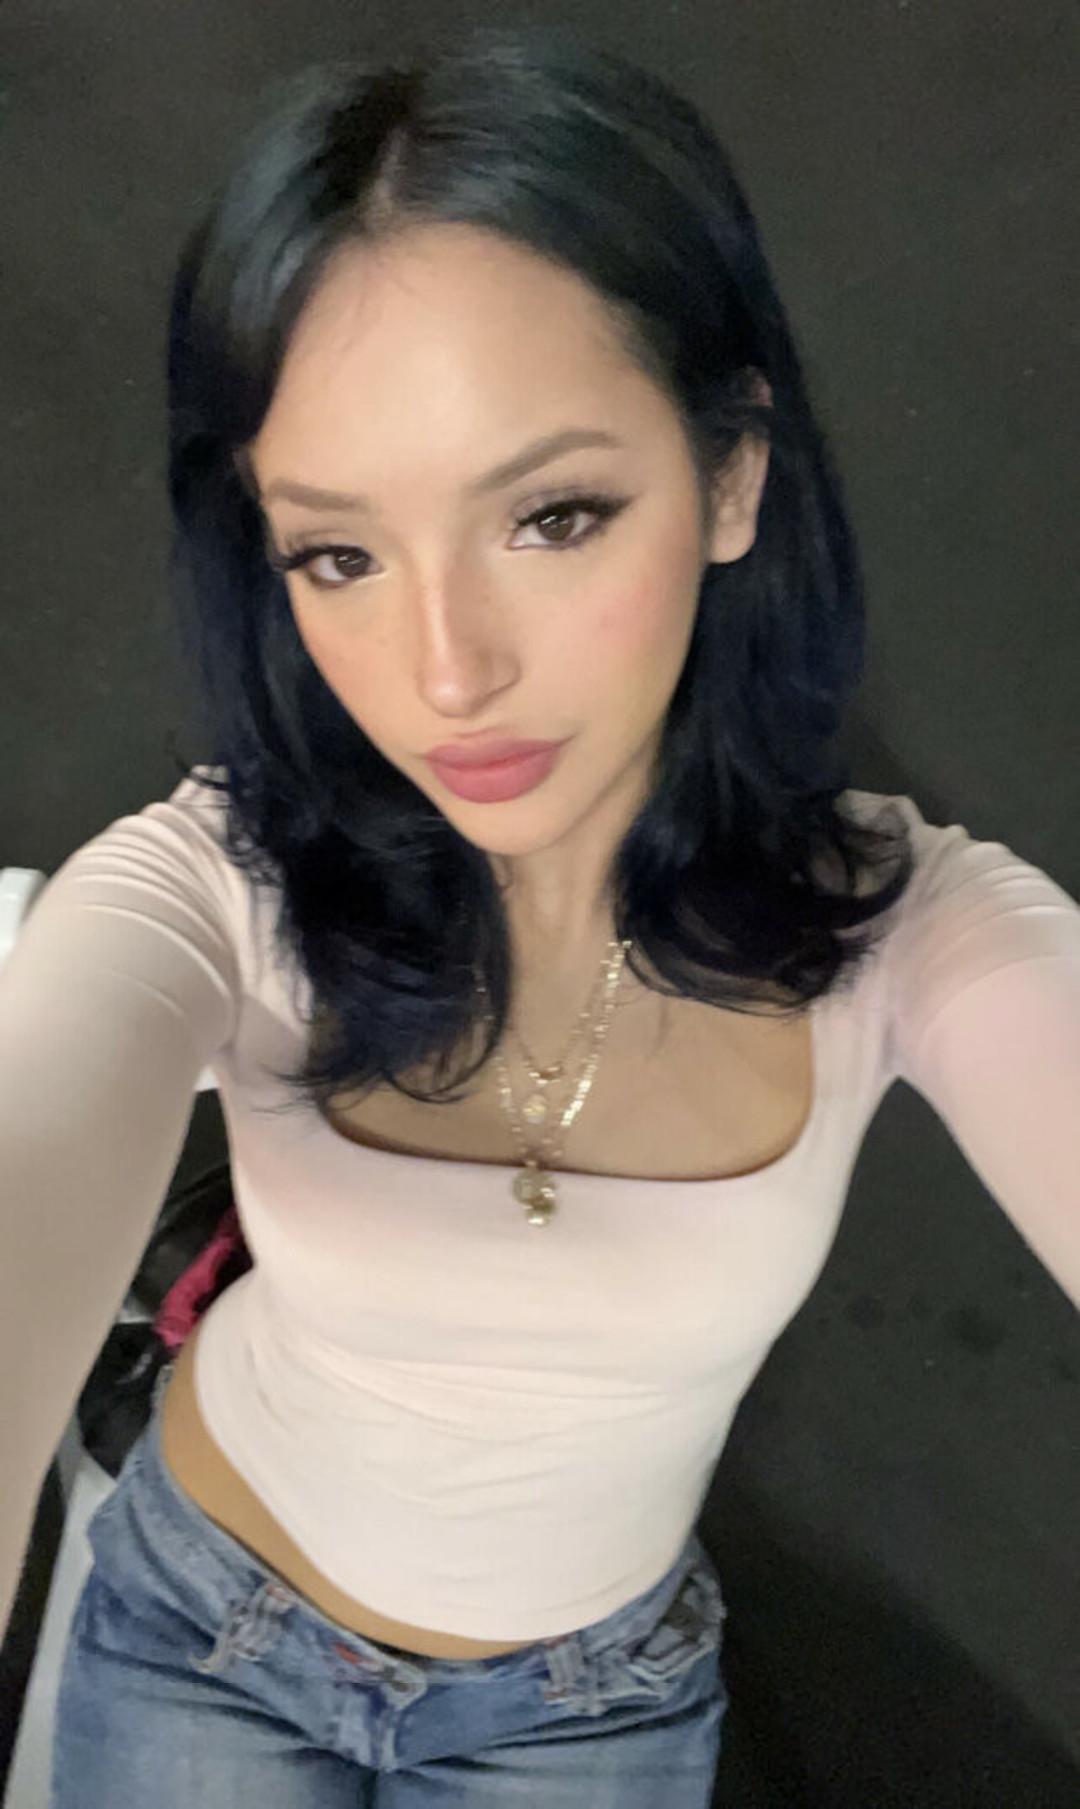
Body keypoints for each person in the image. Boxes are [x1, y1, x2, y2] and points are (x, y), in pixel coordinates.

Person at [2, 23, 1078, 1808]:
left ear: (731, 476)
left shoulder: (913, 932)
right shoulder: (212, 883)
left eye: (555, 515)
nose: (446, 672)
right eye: (339, 554)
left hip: (581, 1715)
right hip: (204, 1627)